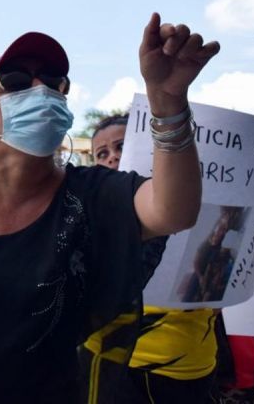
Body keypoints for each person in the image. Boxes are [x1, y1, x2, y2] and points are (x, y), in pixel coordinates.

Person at [0, 13, 219, 403]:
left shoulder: (92, 194)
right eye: (17, 81)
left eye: (54, 81)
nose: (41, 89)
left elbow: (173, 211)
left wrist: (168, 100)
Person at [83, 114, 219, 404]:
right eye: (102, 154)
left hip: (189, 366)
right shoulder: (84, 216)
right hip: (115, 365)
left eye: (121, 146)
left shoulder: (193, 210)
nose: (112, 157)